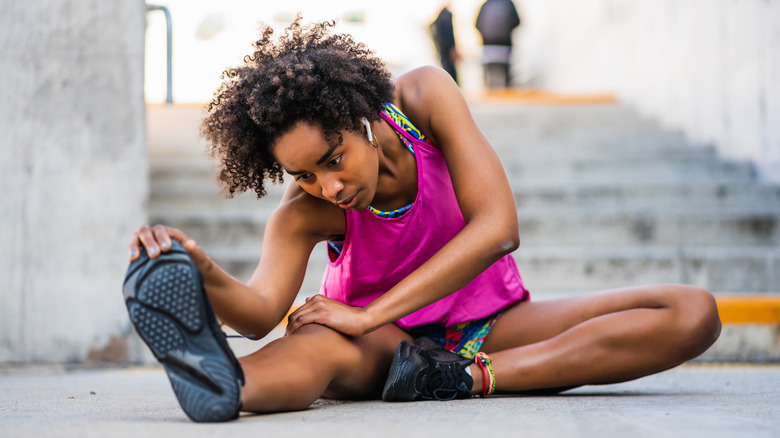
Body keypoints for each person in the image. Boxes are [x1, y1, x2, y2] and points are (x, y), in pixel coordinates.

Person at [124, 18, 721, 422]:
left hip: (492, 324)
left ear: (359, 117)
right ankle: (222, 382)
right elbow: (258, 314)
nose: (328, 187)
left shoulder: (423, 101)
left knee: (692, 312)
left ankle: (464, 377)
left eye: (333, 160)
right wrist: (202, 271)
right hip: (388, 351)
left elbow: (498, 228)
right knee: (320, 347)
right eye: (304, 175)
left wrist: (368, 312)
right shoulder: (303, 216)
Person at [475, 0, 521, 89]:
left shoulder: (485, 5)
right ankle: (507, 91)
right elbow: (517, 22)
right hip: (505, 44)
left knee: (487, 71)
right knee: (505, 72)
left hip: (488, 45)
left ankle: (486, 89)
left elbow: (476, 24)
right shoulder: (508, 4)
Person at [430, 4, 460, 83]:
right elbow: (450, 35)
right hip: (447, 50)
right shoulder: (446, 15)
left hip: (443, 50)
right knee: (451, 74)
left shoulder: (439, 16)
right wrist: (452, 48)